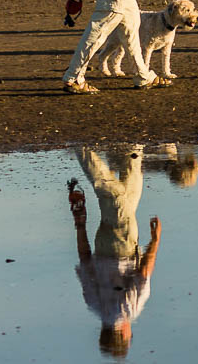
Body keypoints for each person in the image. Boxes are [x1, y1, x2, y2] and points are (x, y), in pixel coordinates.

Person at [69, 146, 162, 358]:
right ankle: (133, 141)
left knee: (110, 192)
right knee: (132, 189)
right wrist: (80, 225)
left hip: (123, 248)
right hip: (103, 244)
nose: (131, 333)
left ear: (123, 335)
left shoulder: (127, 311)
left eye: (130, 337)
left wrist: (155, 241)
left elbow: (144, 272)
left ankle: (80, 145)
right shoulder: (93, 304)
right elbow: (84, 260)